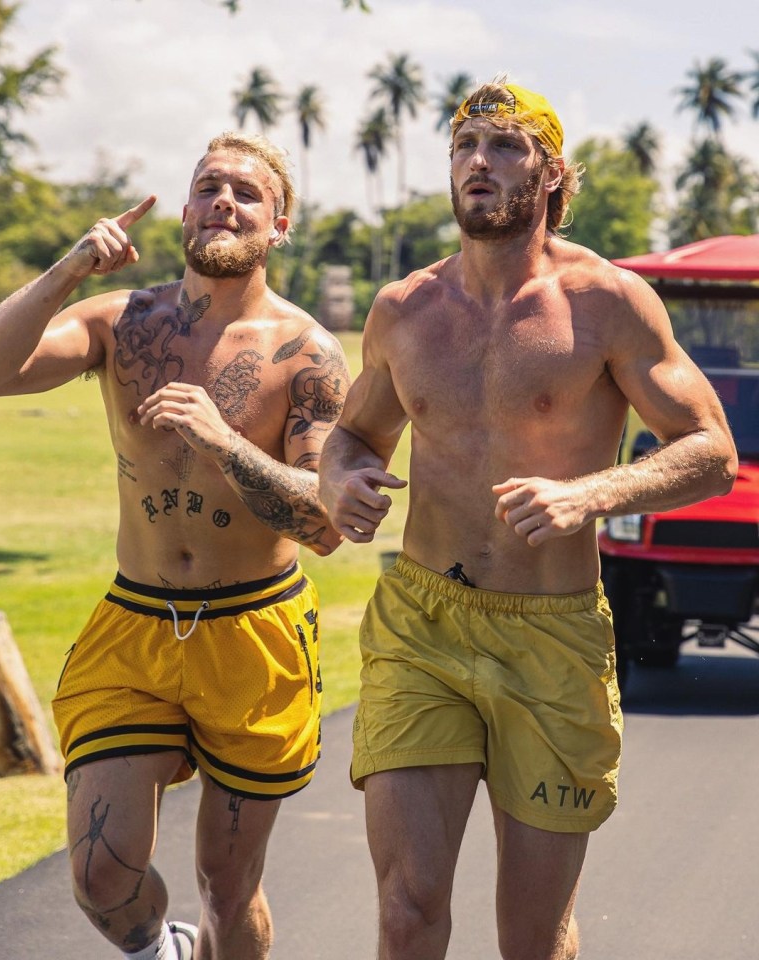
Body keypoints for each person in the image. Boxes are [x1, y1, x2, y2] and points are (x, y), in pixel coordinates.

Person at [318, 75, 737, 960]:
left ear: (551, 175)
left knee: (533, 937)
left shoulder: (607, 303)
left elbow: (709, 449)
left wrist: (591, 494)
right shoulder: (404, 310)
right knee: (407, 908)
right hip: (422, 624)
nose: (479, 162)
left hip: (551, 638)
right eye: (466, 147)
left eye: (506, 146)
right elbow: (355, 433)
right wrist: (343, 478)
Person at [0, 132, 350, 960]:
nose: (224, 200)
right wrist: (68, 270)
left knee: (229, 884)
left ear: (280, 224)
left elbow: (325, 523)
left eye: (246, 193)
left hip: (254, 632)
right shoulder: (121, 321)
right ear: (184, 211)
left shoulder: (306, 353)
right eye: (208, 187)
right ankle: (163, 950)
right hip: (136, 621)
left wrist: (223, 443)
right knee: (98, 876)